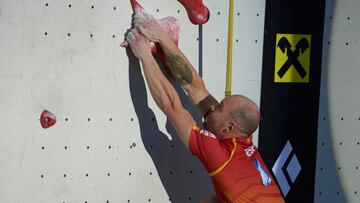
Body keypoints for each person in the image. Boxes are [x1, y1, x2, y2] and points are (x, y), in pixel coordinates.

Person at [124, 9, 285, 203]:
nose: (213, 106)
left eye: (220, 107)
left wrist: (145, 56)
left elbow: (171, 106)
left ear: (229, 128)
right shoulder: (239, 138)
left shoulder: (223, 158)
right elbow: (196, 89)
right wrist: (161, 35)